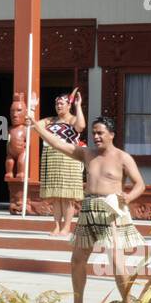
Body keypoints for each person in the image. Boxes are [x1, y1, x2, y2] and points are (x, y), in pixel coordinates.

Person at [29, 113, 146, 303]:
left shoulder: (122, 157)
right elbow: (59, 144)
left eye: (100, 133)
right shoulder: (87, 154)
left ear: (112, 134)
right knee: (77, 259)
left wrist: (127, 198)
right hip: (89, 210)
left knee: (117, 262)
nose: (96, 137)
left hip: (112, 212)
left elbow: (140, 184)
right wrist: (38, 129)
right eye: (94, 133)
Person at [38, 90, 87, 238]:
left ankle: (67, 227)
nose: (58, 105)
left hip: (69, 158)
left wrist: (78, 106)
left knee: (68, 196)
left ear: (68, 105)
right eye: (56, 103)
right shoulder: (49, 121)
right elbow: (34, 125)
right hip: (52, 158)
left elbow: (81, 126)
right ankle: (57, 226)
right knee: (56, 196)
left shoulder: (73, 120)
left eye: (61, 103)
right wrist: (31, 111)